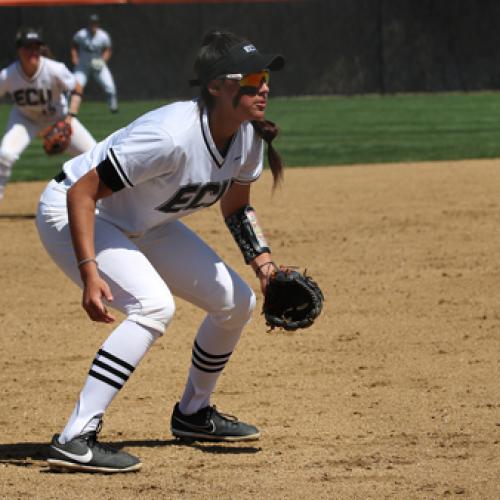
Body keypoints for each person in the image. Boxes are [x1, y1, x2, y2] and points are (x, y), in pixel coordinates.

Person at [36, 29, 285, 473]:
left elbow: (237, 208)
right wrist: (90, 270)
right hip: (77, 210)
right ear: (217, 86)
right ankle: (75, 437)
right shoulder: (170, 136)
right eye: (250, 77)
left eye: (264, 75)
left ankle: (193, 414)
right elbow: (81, 193)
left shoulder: (246, 138)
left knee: (237, 303)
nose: (263, 86)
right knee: (153, 306)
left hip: (146, 222)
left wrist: (264, 265)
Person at [0, 27, 96, 202]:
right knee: (5, 154)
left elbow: (76, 87)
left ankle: (103, 201)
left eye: (36, 47)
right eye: (28, 47)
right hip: (25, 119)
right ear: (18, 50)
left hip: (58, 119)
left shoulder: (54, 69)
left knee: (95, 156)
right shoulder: (8, 75)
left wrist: (70, 117)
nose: (33, 52)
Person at [71, 14, 118, 113]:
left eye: (95, 23)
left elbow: (108, 49)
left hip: (98, 64)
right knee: (75, 86)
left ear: (98, 24)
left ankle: (113, 108)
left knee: (110, 87)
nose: (93, 25)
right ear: (89, 23)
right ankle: (71, 110)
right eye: (92, 23)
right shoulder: (81, 34)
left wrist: (103, 61)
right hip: (83, 65)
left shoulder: (103, 36)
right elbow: (74, 45)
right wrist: (75, 57)